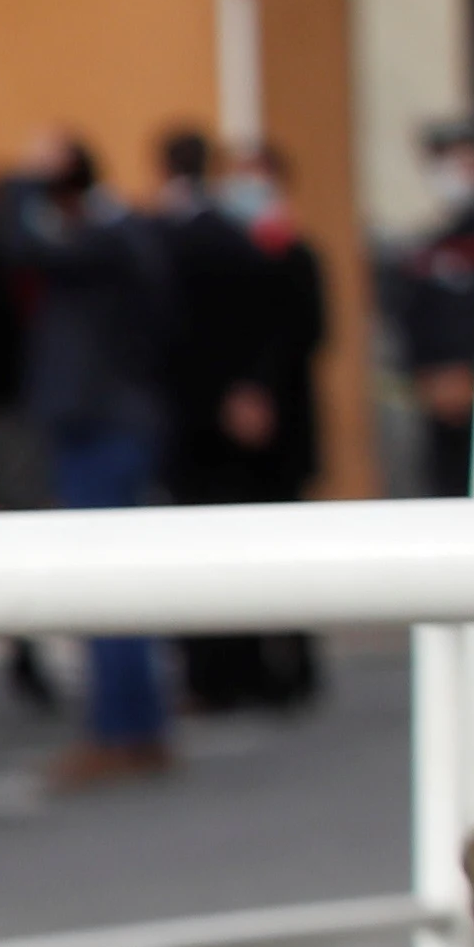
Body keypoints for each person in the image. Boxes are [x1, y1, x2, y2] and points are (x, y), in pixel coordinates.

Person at [19, 132, 181, 784]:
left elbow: (20, 244)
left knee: (101, 581)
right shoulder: (127, 238)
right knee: (120, 582)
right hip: (116, 420)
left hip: (100, 425)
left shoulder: (105, 240)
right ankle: (135, 726)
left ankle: (119, 731)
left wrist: (25, 186)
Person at [160, 133, 330, 711]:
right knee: (221, 552)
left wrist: (259, 393)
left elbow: (304, 332)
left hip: (278, 428)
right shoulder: (207, 247)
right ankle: (225, 672)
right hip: (216, 432)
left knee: (283, 551)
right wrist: (229, 399)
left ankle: (292, 668)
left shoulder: (293, 253)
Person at [0, 145, 74, 709]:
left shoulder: (14, 270)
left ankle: (27, 652)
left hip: (10, 414)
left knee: (19, 526)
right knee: (24, 527)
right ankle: (26, 652)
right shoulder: (6, 273)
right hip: (13, 414)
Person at [393, 117, 474, 502]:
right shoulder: (432, 246)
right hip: (442, 410)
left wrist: (470, 377)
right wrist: (427, 377)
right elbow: (412, 318)